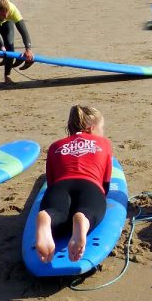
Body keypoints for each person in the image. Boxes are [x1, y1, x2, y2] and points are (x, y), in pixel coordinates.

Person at [33, 105, 114, 263]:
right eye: (101, 128)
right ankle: (83, 219)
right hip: (90, 186)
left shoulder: (55, 146)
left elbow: (51, 181)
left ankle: (47, 217)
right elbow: (105, 184)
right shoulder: (104, 143)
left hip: (59, 187)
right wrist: (99, 199)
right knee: (90, 211)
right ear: (91, 128)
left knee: (57, 213)